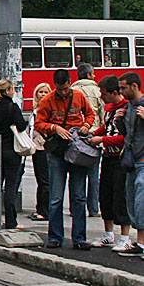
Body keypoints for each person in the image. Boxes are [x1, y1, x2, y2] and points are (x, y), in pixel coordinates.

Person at [35, 68, 95, 249]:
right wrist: (54, 128)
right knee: (56, 197)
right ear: (56, 86)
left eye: (66, 88)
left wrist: (86, 125)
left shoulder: (78, 96)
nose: (63, 92)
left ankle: (79, 238)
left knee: (78, 196)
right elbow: (39, 124)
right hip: (58, 152)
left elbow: (90, 114)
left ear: (70, 83)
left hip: (76, 149)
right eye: (60, 89)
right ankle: (55, 237)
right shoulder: (47, 100)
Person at [89, 75, 132, 251]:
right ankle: (108, 233)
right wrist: (92, 133)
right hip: (107, 157)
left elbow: (125, 137)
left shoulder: (127, 110)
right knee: (105, 195)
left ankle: (125, 236)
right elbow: (106, 127)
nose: (101, 96)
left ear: (114, 93)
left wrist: (103, 139)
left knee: (120, 196)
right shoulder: (110, 109)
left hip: (120, 158)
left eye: (104, 93)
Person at [0, 78, 28, 229]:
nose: (14, 91)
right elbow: (21, 126)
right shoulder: (12, 107)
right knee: (10, 186)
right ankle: (11, 221)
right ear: (8, 91)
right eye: (13, 89)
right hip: (11, 151)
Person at [116, 72, 144, 256]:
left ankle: (141, 242)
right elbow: (127, 134)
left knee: (141, 199)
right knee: (132, 199)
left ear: (134, 86)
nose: (121, 91)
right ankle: (140, 241)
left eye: (124, 88)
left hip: (142, 160)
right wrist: (119, 121)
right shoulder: (128, 107)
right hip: (131, 160)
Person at [73, 63, 104, 217]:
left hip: (76, 136)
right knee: (93, 174)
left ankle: (75, 208)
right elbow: (102, 114)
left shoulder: (72, 90)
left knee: (76, 173)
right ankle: (93, 208)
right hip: (93, 134)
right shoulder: (97, 90)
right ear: (90, 75)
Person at [27, 82, 52, 222]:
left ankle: (44, 211)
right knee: (40, 179)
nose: (42, 94)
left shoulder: (47, 110)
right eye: (40, 92)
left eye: (45, 92)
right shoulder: (36, 109)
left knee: (44, 180)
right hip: (36, 147)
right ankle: (39, 209)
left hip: (43, 147)